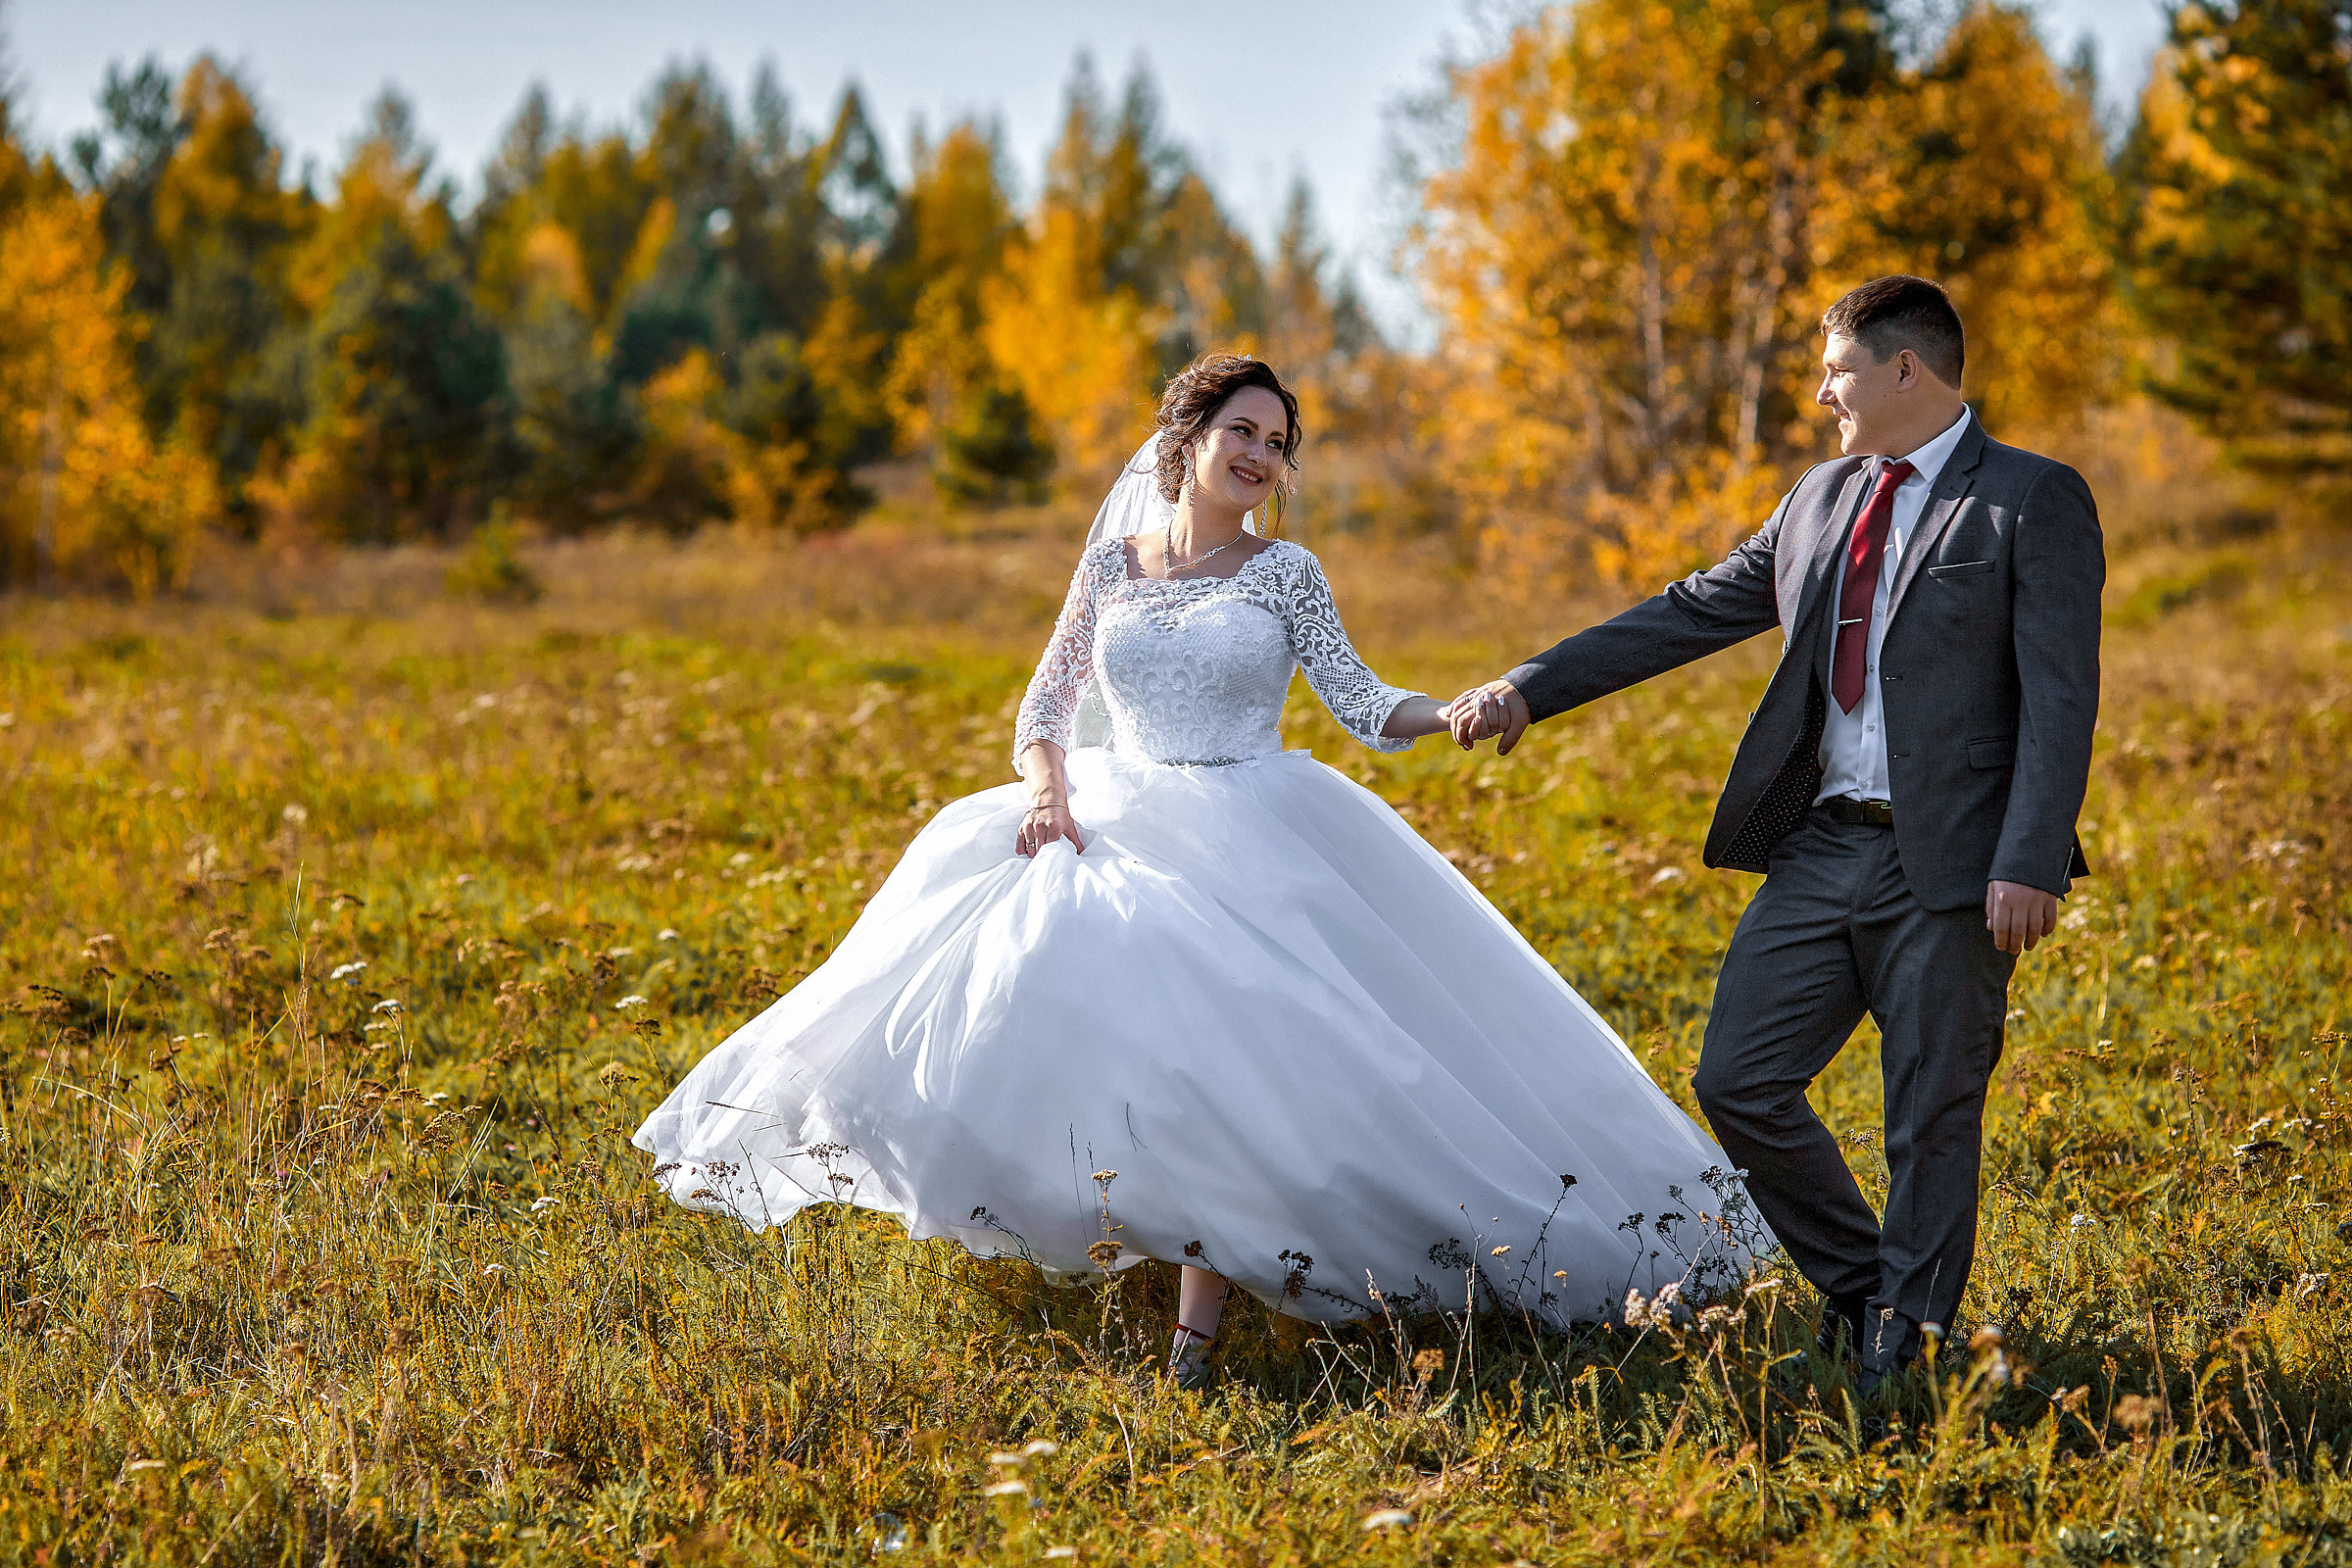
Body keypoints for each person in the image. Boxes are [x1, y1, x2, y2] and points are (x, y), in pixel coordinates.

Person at [635, 353, 1765, 1388]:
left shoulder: (1286, 574)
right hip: (1114, 809)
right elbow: (1046, 702)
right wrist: (1049, 790)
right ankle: (1061, 1217)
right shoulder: (1112, 561)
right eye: (1245, 430)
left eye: (1279, 443)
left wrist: (1460, 709)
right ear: (1187, 437)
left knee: (1234, 1041)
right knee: (1021, 983)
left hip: (1255, 820)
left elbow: (1364, 704)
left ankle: (1195, 1339)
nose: (1262, 457)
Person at [1448, 276, 2103, 1391]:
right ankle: (1864, 1288)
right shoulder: (1817, 495)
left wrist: (2029, 856)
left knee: (1931, 1112)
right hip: (1822, 847)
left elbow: (2061, 695)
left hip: (1953, 864)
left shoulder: (2029, 500)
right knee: (1738, 1078)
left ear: (1908, 370)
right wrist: (1530, 684)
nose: (1819, 392)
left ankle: (1910, 1346)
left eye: (1837, 369)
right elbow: (1691, 608)